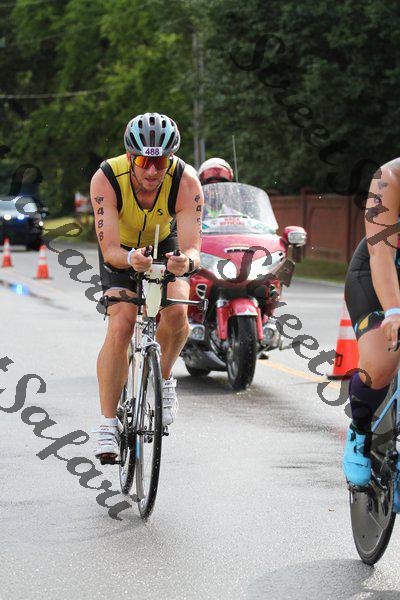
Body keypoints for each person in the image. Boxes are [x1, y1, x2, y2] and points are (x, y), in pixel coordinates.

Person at [90, 112, 204, 461]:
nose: (152, 171)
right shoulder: (106, 178)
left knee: (177, 311)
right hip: (121, 251)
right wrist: (130, 259)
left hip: (164, 243)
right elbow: (110, 250)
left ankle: (164, 379)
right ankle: (107, 425)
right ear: (130, 157)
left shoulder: (186, 181)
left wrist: (185, 262)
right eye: (143, 161)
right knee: (121, 324)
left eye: (161, 162)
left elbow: (193, 249)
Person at [343, 157, 400, 486]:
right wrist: (393, 311)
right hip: (377, 273)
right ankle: (360, 432)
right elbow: (382, 254)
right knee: (382, 361)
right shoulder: (389, 178)